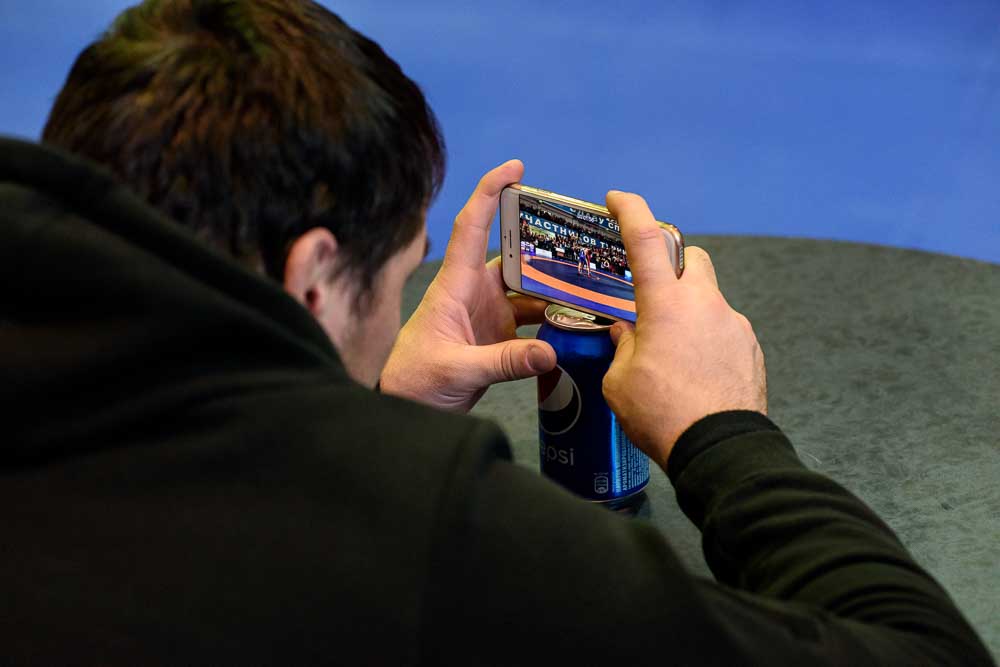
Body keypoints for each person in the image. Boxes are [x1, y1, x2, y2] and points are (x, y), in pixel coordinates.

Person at [0, 1, 992, 665]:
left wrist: (364, 405)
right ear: (311, 277)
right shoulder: (416, 526)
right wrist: (723, 430)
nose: (397, 312)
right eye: (398, 275)